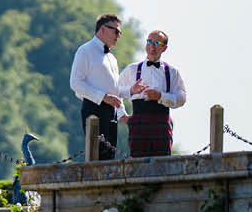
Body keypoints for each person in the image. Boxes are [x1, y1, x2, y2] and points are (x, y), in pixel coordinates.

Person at [118, 30, 187, 158]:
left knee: (162, 162)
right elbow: (115, 92)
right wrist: (122, 115)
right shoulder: (132, 69)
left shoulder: (172, 72)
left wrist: (161, 96)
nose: (152, 46)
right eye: (149, 41)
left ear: (164, 48)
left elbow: (182, 98)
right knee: (137, 163)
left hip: (162, 123)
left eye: (156, 43)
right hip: (138, 123)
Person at [69, 14, 128, 160]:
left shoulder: (112, 58)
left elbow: (115, 89)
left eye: (120, 33)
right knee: (97, 157)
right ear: (102, 29)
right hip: (94, 110)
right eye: (116, 31)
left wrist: (122, 114)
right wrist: (103, 97)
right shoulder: (85, 50)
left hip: (112, 113)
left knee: (109, 157)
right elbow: (75, 83)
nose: (118, 36)